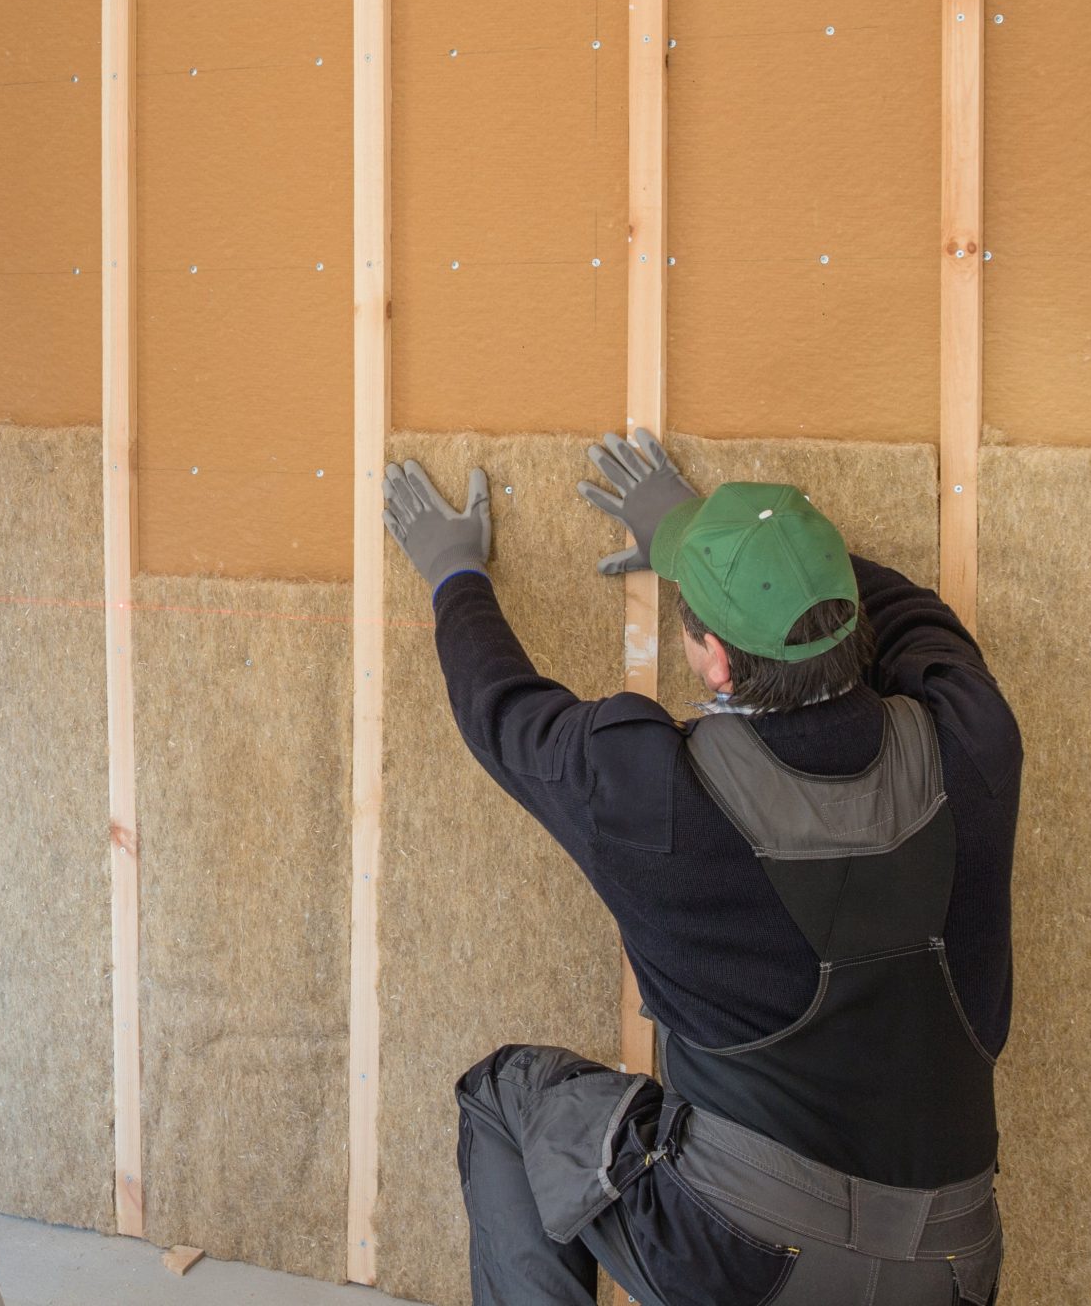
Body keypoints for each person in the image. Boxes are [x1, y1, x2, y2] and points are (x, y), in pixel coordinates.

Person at [382, 431, 1021, 1306]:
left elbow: (503, 714)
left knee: (505, 1095)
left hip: (746, 1263)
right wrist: (712, 539)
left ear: (714, 659)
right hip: (954, 1271)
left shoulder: (660, 797)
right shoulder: (972, 740)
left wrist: (454, 574)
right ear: (849, 620)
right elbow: (915, 612)